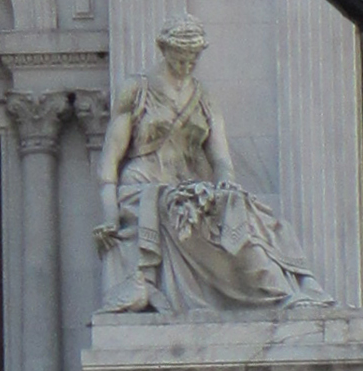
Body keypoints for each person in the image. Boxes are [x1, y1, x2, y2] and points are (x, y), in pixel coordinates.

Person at [96, 20, 313, 313]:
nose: (187, 66)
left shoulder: (204, 96)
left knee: (251, 217)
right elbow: (109, 164)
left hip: (191, 187)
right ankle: (271, 293)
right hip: (142, 189)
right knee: (184, 214)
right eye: (180, 58)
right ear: (164, 50)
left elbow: (221, 160)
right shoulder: (136, 90)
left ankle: (287, 287)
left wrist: (225, 184)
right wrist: (110, 216)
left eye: (193, 59)